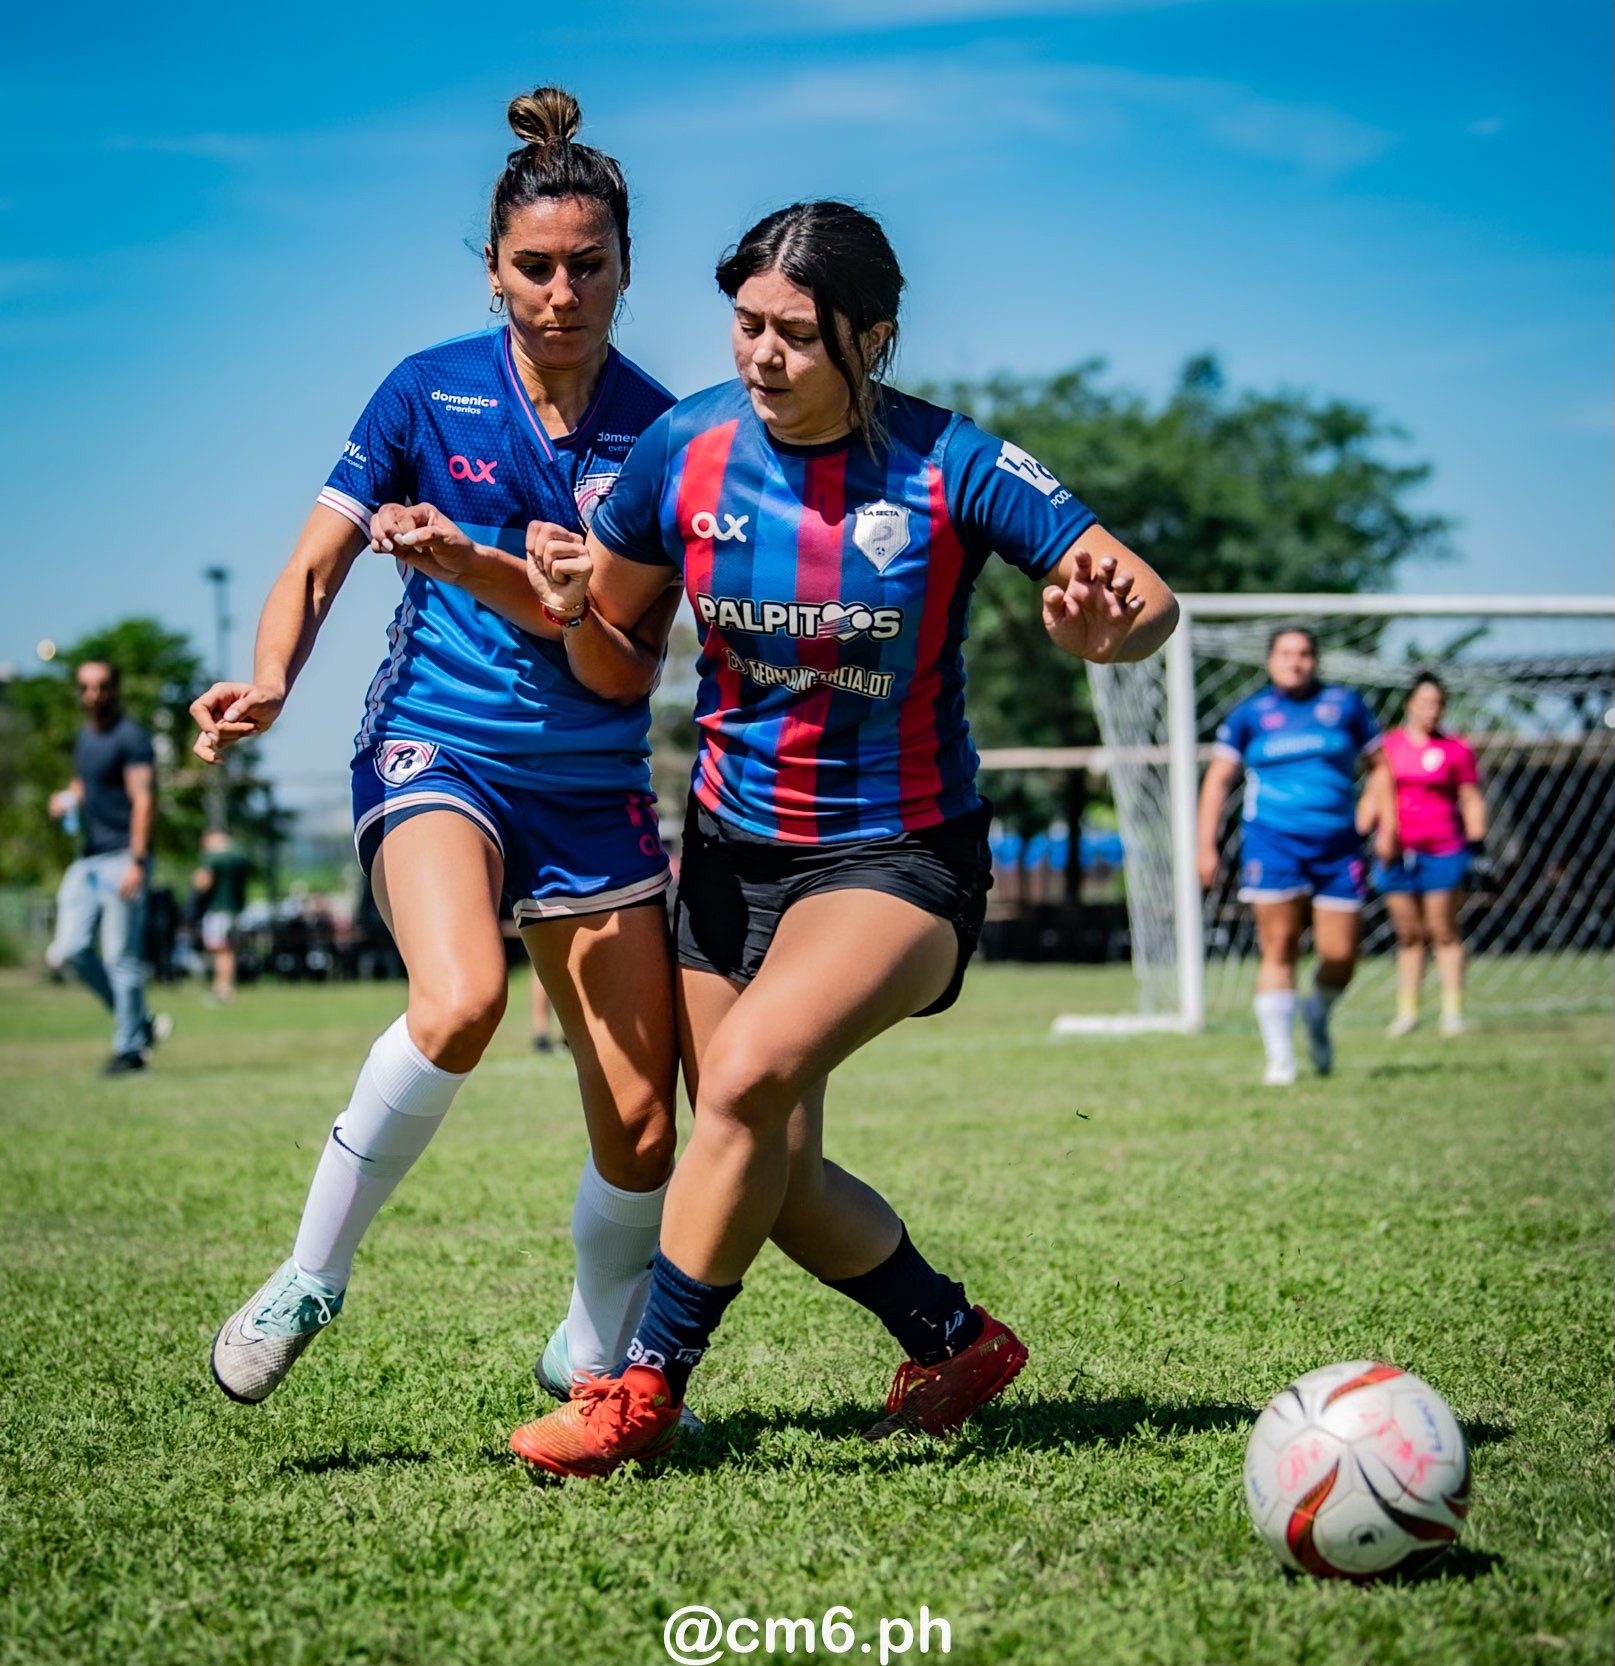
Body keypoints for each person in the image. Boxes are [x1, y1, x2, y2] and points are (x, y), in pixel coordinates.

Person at [491, 199, 1177, 1477]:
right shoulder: (680, 451)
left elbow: (1141, 597)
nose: (762, 356)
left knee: (743, 1084)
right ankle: (953, 1336)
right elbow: (613, 656)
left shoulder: (949, 463)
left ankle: (639, 1389)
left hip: (898, 859)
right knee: (767, 1166)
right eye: (745, 325)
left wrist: (1107, 628)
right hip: (725, 858)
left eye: (798, 335)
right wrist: (571, 600)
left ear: (875, 338)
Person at [190, 86, 686, 1414]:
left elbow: (612, 654)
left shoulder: (667, 437)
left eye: (588, 265)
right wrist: (272, 680)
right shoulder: (424, 389)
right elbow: (315, 557)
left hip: (587, 776)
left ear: (627, 268)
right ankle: (308, 1274)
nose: (561, 290)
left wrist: (487, 565)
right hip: (437, 749)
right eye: (534, 266)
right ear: (492, 270)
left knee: (643, 1118)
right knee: (460, 997)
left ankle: (588, 1349)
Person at [1196, 627, 1394, 1087]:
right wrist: (1205, 846)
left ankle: (1317, 1014)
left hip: (1339, 844)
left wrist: (1381, 816)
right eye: (1286, 653)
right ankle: (1280, 1059)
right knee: (1279, 946)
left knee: (1341, 954)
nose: (1295, 661)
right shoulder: (1250, 715)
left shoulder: (1345, 707)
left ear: (1315, 660)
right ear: (1270, 661)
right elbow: (1218, 781)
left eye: (1304, 653)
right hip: (1273, 843)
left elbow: (1381, 769)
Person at [46, 660, 171, 1075]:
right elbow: (86, 782)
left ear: (114, 689)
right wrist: (68, 797)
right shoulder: (85, 737)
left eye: (100, 687)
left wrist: (136, 862)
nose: (92, 695)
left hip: (123, 858)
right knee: (69, 951)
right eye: (85, 687)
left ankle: (130, 1050)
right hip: (87, 859)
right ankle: (140, 1023)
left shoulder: (130, 737)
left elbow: (143, 799)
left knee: (121, 956)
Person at [1364, 672, 1486, 1037]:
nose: (1431, 710)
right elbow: (1375, 792)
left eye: (1438, 704)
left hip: (1444, 850)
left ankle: (1452, 1012)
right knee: (1408, 934)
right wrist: (1363, 828)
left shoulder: (1456, 750)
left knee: (1444, 931)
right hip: (1398, 853)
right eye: (1424, 703)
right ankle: (1408, 1012)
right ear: (1409, 705)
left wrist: (1478, 842)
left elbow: (1470, 798)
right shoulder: (1389, 746)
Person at [192, 828, 253, 1002]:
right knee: (228, 949)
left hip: (218, 910)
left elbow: (202, 883)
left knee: (221, 950)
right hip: (236, 910)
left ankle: (223, 987)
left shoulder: (213, 858)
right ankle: (223, 986)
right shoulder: (240, 856)